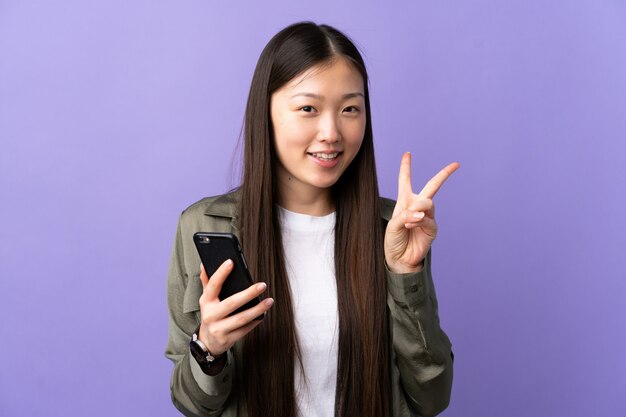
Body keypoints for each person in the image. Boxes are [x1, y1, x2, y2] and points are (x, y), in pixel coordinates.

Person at [165, 21, 458, 417]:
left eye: (350, 109)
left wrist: (406, 272)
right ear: (265, 112)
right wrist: (208, 348)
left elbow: (432, 397)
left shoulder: (392, 229)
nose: (331, 132)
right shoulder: (205, 225)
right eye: (308, 108)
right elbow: (193, 404)